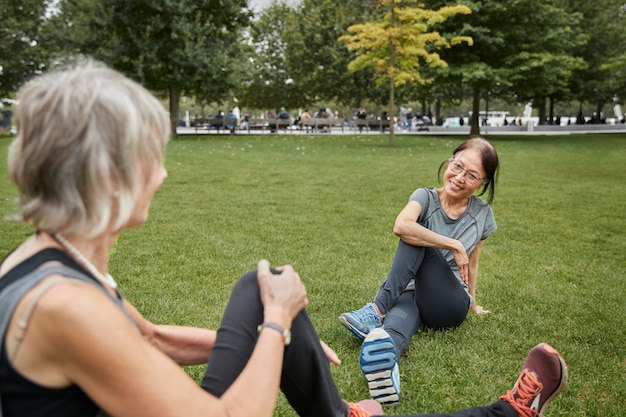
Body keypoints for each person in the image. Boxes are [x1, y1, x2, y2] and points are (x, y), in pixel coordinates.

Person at [0, 61, 568, 417]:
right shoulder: (65, 306)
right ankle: (507, 413)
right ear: (108, 178)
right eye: (152, 158)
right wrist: (275, 328)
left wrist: (273, 332)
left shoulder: (57, 259)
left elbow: (147, 339)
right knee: (270, 301)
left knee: (257, 285)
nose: (163, 174)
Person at [339, 138, 500, 404]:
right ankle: (386, 362)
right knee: (400, 316)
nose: (459, 177)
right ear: (449, 161)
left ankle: (377, 309)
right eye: (457, 166)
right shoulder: (424, 196)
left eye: (471, 175)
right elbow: (401, 224)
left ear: (482, 183)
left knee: (416, 237)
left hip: (449, 304)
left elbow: (472, 263)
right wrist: (452, 244)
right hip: (413, 294)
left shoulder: (482, 214)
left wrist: (473, 302)